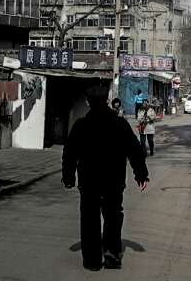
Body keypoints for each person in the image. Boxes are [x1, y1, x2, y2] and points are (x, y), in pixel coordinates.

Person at [62, 84, 149, 270]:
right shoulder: (119, 124)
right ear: (107, 100)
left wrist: (68, 177)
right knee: (113, 217)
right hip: (114, 180)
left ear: (88, 102)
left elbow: (69, 153)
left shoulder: (81, 125)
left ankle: (92, 260)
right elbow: (135, 150)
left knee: (89, 219)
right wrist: (141, 174)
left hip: (89, 181)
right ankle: (112, 255)